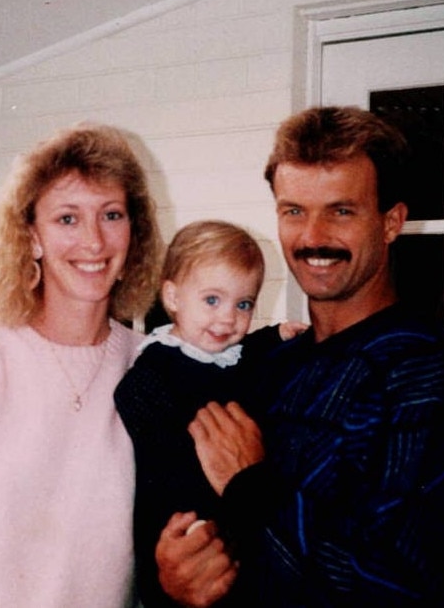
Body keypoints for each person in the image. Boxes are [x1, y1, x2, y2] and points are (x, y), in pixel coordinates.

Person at [154, 106, 444, 606]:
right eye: (294, 211)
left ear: (391, 222)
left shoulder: (425, 375)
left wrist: (251, 487)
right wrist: (181, 578)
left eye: (341, 210)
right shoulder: (269, 365)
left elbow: (401, 580)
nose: (313, 237)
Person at [0, 122, 163, 608]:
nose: (93, 242)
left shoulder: (152, 366)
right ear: (32, 235)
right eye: (67, 219)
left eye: (111, 215)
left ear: (133, 231)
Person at [114, 219, 307, 607]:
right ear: (172, 297)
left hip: (231, 512)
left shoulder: (234, 355)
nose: (227, 318)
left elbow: (251, 351)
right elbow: (134, 405)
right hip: (178, 519)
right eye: (212, 300)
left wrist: (278, 334)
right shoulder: (157, 366)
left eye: (244, 304)